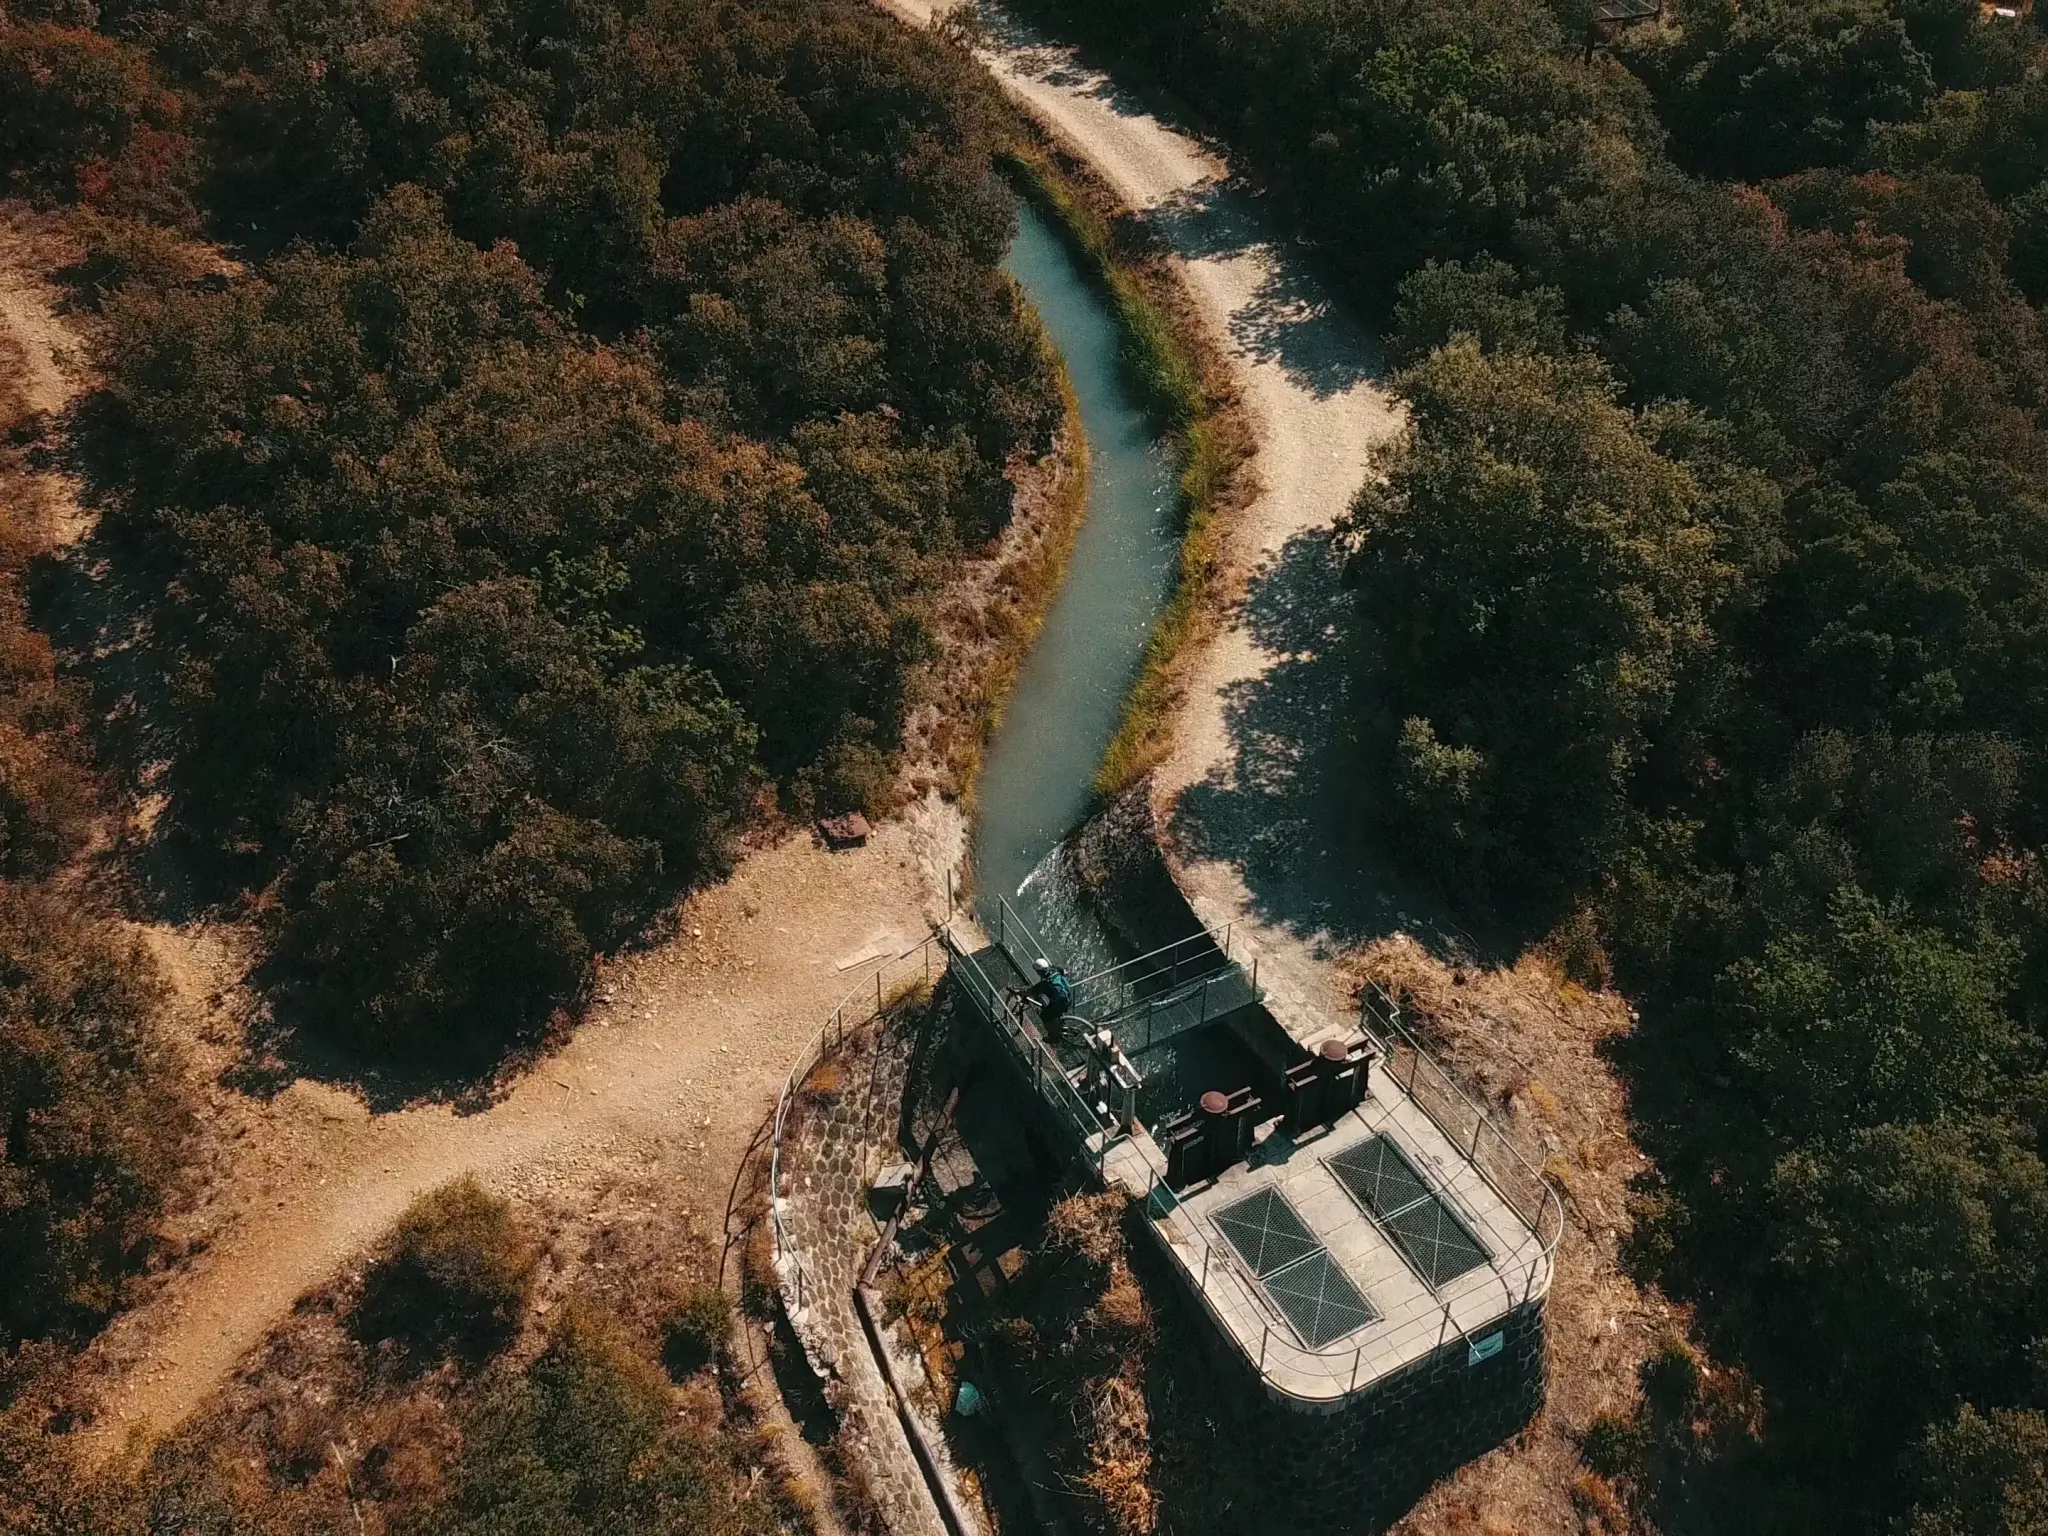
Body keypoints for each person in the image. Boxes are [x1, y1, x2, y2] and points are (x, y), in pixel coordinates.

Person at [1007, 956, 1073, 1038]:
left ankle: (1053, 1037)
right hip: (1068, 997)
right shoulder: (1055, 970)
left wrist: (1016, 991)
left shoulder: (1046, 984)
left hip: (1060, 1004)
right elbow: (1064, 972)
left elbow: (1030, 991)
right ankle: (1059, 1023)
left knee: (1045, 1016)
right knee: (1050, 1007)